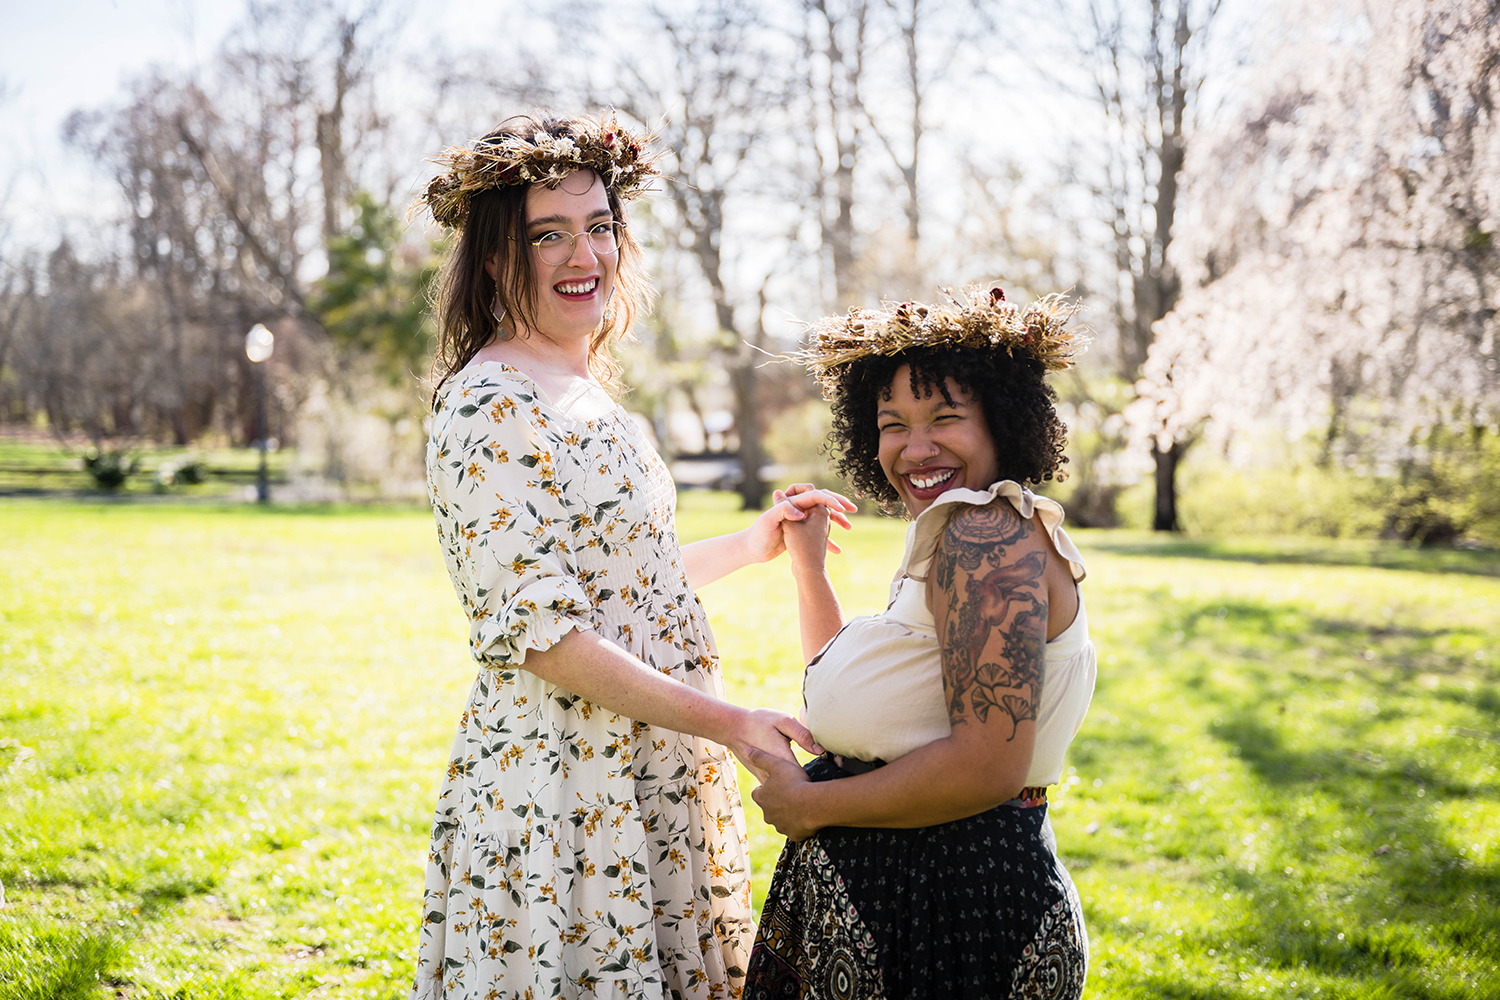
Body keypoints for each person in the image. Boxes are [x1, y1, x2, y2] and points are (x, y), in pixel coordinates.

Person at [410, 110, 853, 1000]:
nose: (585, 256)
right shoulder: (486, 408)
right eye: (549, 236)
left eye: (599, 227)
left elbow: (622, 580)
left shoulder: (587, 391)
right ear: (497, 258)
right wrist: (727, 722)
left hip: (651, 768)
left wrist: (751, 545)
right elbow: (544, 633)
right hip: (568, 788)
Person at [742, 287, 1098, 999]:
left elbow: (986, 768)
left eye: (945, 418)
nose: (916, 447)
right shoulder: (961, 533)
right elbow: (874, 691)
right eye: (893, 423)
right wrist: (810, 569)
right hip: (915, 899)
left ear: (1002, 422)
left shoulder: (987, 537)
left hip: (955, 908)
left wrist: (811, 806)